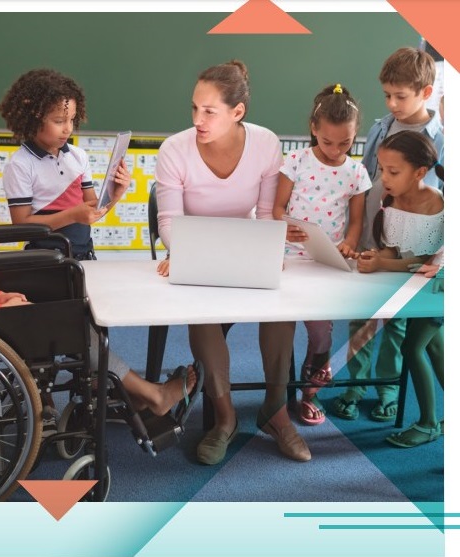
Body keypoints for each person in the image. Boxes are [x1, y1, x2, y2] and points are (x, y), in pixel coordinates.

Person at [0, 145, 196, 419]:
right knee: (79, 328)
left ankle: (129, 391)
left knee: (79, 318)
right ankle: (152, 395)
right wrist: (1, 305)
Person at [154, 60, 311, 464]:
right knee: (203, 316)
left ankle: (275, 412)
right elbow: (169, 220)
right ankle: (224, 419)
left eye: (210, 111)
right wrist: (186, 253)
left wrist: (269, 249)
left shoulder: (265, 143)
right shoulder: (174, 148)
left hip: (246, 247)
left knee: (281, 310)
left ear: (237, 112)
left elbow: (265, 212)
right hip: (196, 253)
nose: (198, 120)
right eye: (194, 108)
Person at [332, 47, 444, 422]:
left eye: (401, 96)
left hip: (408, 244)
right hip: (372, 235)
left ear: (425, 93)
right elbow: (364, 183)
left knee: (394, 323)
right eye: (387, 95)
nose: (392, 103)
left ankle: (387, 389)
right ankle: (354, 385)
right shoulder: (382, 127)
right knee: (361, 316)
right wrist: (358, 232)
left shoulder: (440, 138)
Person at [273, 83, 371, 426]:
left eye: (345, 142)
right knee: (279, 328)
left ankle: (308, 394)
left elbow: (356, 221)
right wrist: (285, 225)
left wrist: (349, 243)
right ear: (314, 129)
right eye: (327, 141)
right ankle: (277, 393)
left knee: (321, 334)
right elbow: (277, 208)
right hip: (290, 258)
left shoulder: (357, 172)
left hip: (328, 262)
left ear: (356, 133)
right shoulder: (296, 161)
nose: (334, 150)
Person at [352, 131, 443, 447]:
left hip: (437, 292)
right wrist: (377, 257)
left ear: (419, 172)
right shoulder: (389, 200)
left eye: (393, 172)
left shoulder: (437, 204)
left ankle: (429, 423)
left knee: (414, 348)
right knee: (436, 349)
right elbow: (395, 250)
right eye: (381, 170)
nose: (384, 178)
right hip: (416, 293)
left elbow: (420, 263)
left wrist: (382, 265)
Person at [0, 68, 131, 260]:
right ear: (34, 117)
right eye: (59, 121)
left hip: (84, 256)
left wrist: (115, 195)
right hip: (45, 262)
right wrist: (72, 215)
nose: (68, 128)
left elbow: (91, 212)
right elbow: (21, 227)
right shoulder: (20, 165)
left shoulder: (79, 157)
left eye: (72, 119)